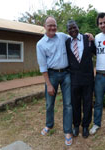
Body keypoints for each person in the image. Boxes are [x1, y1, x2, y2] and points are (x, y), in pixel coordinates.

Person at [36, 16, 73, 146]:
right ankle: (49, 125)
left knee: (68, 104)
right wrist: (48, 84)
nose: (52, 28)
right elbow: (43, 66)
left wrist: (87, 35)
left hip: (66, 74)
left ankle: (68, 131)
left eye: (54, 25)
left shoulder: (63, 37)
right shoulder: (40, 44)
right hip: (51, 74)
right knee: (49, 103)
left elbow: (76, 38)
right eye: (50, 25)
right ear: (45, 26)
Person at [66, 20, 96, 138]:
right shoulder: (67, 42)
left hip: (88, 79)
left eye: (74, 27)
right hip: (74, 79)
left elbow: (95, 51)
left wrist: (93, 39)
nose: (72, 30)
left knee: (88, 104)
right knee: (75, 104)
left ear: (78, 27)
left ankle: (85, 126)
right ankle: (76, 125)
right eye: (70, 29)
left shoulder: (87, 39)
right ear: (67, 31)